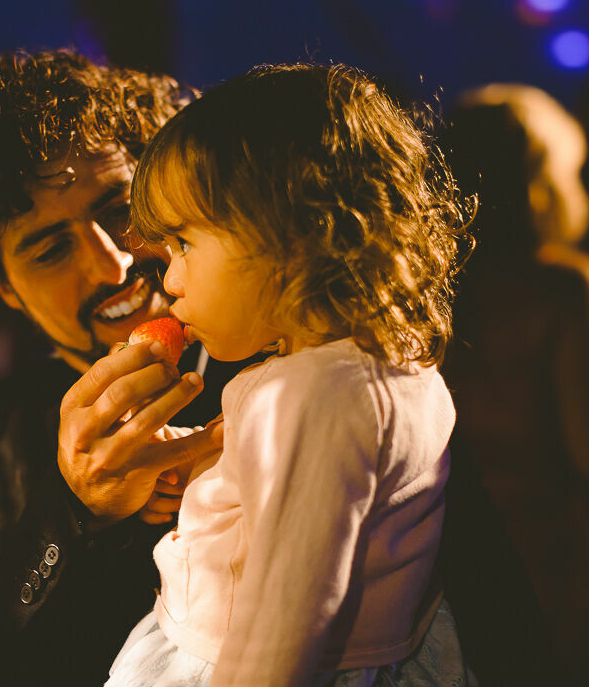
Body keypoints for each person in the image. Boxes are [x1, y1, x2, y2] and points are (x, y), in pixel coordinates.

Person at [103, 63, 473, 687]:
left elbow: (284, 621)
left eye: (184, 245)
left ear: (290, 232)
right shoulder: (392, 369)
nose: (170, 280)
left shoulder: (311, 395)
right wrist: (197, 461)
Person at [0, 50, 230, 686]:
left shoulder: (280, 358)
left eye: (120, 212)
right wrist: (73, 513)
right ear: (5, 289)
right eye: (50, 251)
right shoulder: (0, 442)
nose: (110, 265)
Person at [439, 86, 589, 684]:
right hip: (545, 559)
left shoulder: (423, 286)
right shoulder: (566, 288)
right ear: (542, 180)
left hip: (444, 554)